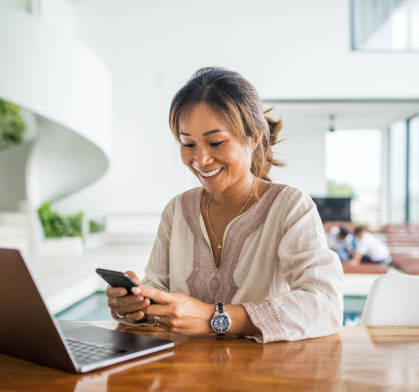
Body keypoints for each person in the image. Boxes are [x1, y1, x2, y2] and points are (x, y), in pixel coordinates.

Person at [106, 67, 344, 343]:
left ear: (254, 138)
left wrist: (214, 318)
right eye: (188, 143)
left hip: (263, 377)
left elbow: (325, 304)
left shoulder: (290, 207)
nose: (201, 159)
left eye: (216, 142)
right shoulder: (177, 210)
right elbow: (158, 286)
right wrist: (136, 305)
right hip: (184, 374)